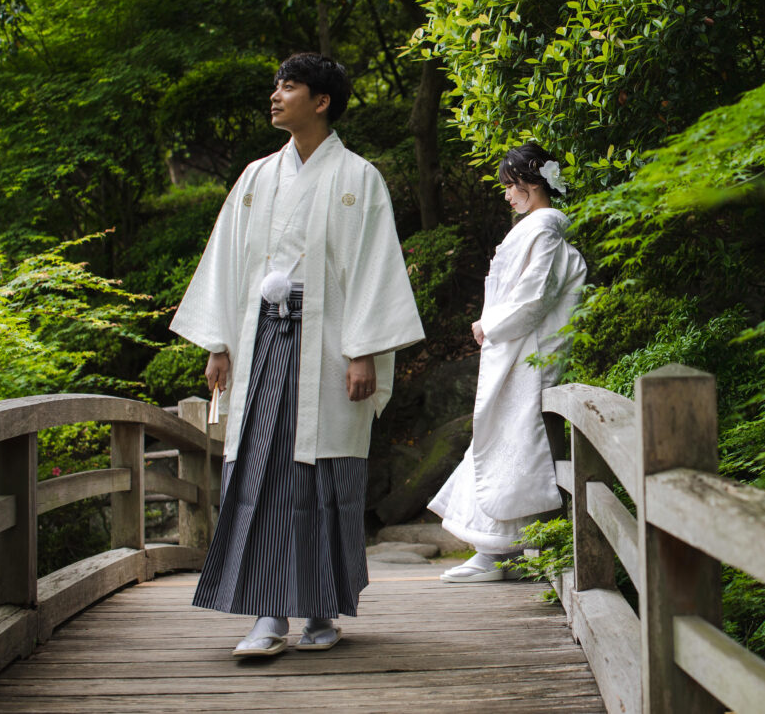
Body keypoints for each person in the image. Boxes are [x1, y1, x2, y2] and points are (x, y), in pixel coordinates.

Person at [170, 53, 424, 656]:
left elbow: (373, 269)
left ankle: (319, 611)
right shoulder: (256, 177)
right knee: (257, 471)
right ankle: (266, 616)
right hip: (261, 339)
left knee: (322, 474)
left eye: (289, 86)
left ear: (322, 101)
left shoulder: (360, 178)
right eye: (277, 85)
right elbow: (227, 262)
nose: (276, 94)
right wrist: (218, 344)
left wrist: (363, 352)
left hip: (330, 345)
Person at [429, 143, 587, 582]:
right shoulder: (539, 230)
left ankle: (497, 554)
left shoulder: (543, 231)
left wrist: (489, 324)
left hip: (526, 353)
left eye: (511, 185)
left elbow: (534, 296)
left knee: (513, 445)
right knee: (505, 443)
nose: (507, 194)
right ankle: (500, 551)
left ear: (533, 183)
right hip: (519, 352)